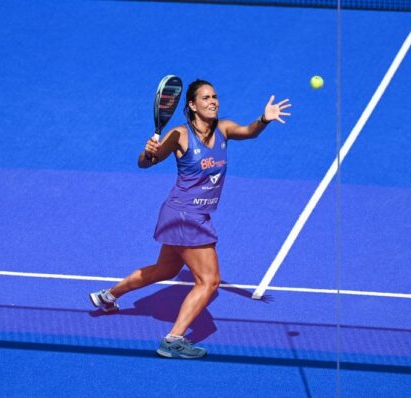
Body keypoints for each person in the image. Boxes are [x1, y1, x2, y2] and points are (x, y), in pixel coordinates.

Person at [90, 79, 291, 359]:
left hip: (188, 215)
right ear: (193, 106)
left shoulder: (224, 129)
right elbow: (146, 162)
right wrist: (148, 151)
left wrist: (263, 120)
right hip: (186, 216)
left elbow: (249, 131)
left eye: (215, 97)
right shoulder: (179, 135)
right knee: (209, 282)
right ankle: (173, 339)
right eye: (206, 98)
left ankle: (107, 296)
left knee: (164, 270)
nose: (213, 101)